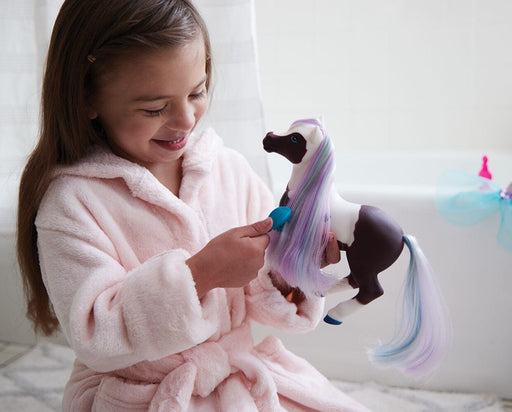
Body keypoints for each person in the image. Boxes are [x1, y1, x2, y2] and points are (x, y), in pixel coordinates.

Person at [17, 0, 369, 410]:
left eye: (197, 91)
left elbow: (266, 295)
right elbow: (95, 332)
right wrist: (197, 276)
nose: (186, 119)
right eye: (155, 108)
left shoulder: (228, 170)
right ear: (87, 99)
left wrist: (291, 271)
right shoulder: (72, 202)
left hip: (239, 375)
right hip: (141, 395)